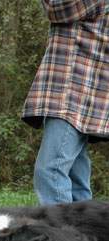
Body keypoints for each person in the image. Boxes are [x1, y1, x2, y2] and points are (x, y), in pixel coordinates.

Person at [22, 0, 108, 205]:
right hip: (78, 93)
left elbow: (57, 8)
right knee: (76, 178)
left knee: (50, 170)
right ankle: (89, 233)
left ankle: (62, 235)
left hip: (77, 93)